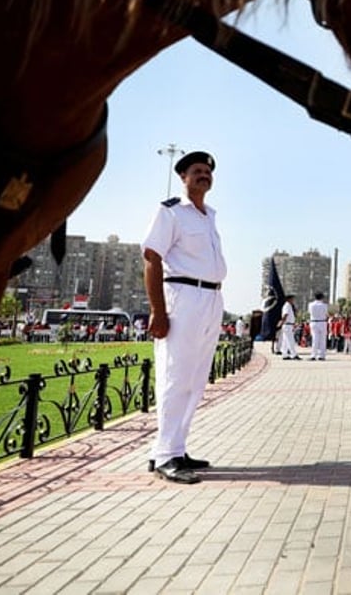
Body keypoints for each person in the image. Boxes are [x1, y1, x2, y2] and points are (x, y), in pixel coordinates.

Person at [141, 150, 226, 485]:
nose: (203, 175)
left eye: (207, 171)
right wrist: (157, 312)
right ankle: (165, 456)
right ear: (183, 177)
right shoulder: (171, 212)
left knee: (195, 379)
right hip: (183, 298)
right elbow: (151, 257)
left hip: (211, 298)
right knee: (175, 376)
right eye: (197, 171)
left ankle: (175, 447)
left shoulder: (209, 216)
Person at [307, 293, 328, 361]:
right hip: (322, 322)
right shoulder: (324, 305)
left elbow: (310, 312)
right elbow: (326, 313)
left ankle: (313, 355)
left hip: (314, 322)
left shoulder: (310, 305)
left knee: (315, 339)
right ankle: (321, 355)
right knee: (322, 340)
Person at [278, 294, 299, 359]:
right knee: (290, 340)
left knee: (285, 341)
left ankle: (285, 354)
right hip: (287, 324)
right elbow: (285, 315)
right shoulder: (287, 306)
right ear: (289, 299)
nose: (293, 300)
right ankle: (294, 354)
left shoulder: (289, 306)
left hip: (288, 325)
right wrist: (281, 322)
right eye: (292, 299)